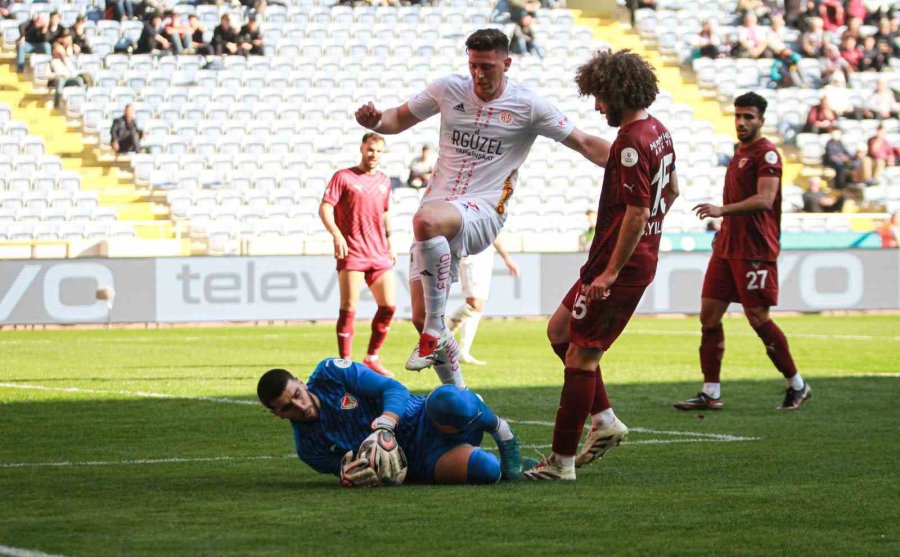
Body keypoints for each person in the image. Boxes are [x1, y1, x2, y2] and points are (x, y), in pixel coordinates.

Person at [354, 28, 609, 389]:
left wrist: (635, 160)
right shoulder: (448, 89)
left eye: (487, 66)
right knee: (422, 314)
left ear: (507, 63)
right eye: (473, 65)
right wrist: (376, 121)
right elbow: (397, 119)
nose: (479, 74)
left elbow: (584, 142)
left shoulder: (528, 105)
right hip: (440, 209)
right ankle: (460, 395)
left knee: (424, 222)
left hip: (485, 211)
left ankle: (432, 334)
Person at [527, 50, 678, 481]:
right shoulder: (658, 132)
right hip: (612, 261)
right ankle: (605, 419)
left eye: (600, 97)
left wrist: (612, 271)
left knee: (581, 357)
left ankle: (561, 463)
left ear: (618, 91)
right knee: (558, 331)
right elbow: (672, 191)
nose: (597, 105)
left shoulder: (632, 143)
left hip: (619, 267)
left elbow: (636, 212)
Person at [674, 92, 811, 413]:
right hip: (727, 246)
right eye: (738, 116)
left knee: (758, 318)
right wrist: (725, 230)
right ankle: (710, 392)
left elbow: (765, 199)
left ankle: (797, 384)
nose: (742, 122)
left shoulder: (768, 154)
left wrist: (721, 211)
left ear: (761, 120)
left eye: (748, 117)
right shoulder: (740, 153)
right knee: (708, 317)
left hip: (754, 249)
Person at [255, 359, 528, 485]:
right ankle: (516, 466)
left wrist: (386, 423)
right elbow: (351, 470)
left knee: (450, 401)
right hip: (421, 461)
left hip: (426, 418)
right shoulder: (309, 450)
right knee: (487, 471)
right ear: (277, 415)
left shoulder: (330, 374)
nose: (300, 406)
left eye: (297, 395)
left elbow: (394, 389)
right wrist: (356, 473)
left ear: (301, 383)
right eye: (287, 407)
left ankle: (503, 433)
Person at [319, 133, 397, 378]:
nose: (374, 155)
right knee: (349, 308)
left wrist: (391, 243)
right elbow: (325, 207)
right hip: (352, 251)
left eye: (379, 151)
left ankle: (372, 357)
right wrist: (336, 234)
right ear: (362, 149)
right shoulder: (344, 177)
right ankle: (345, 364)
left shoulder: (385, 181)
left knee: (389, 307)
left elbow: (385, 214)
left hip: (379, 252)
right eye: (370, 149)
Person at [447, 237, 520, 365]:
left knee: (478, 305)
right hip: (472, 255)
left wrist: (506, 258)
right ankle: (444, 336)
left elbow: (495, 234)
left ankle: (462, 351)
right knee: (474, 303)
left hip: (485, 256)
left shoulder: (491, 218)